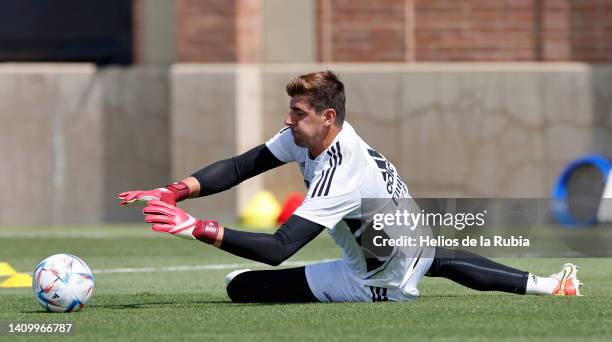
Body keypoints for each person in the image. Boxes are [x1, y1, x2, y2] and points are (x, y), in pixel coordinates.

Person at [118, 71, 582, 303]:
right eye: (291, 111)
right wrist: (174, 190)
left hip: (374, 279)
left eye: (298, 113)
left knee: (238, 286)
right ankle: (549, 285)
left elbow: (280, 247)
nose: (288, 120)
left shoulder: (342, 171)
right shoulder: (307, 137)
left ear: (328, 117)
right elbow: (242, 165)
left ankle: (396, 285)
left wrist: (194, 228)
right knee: (435, 256)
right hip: (409, 237)